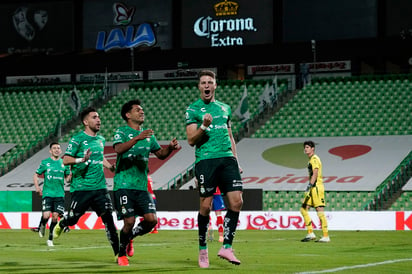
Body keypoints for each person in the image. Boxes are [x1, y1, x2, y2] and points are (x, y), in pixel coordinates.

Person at [185, 70, 243, 268]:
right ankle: (203, 249)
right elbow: (191, 140)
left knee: (237, 202)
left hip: (227, 159)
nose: (207, 85)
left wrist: (236, 160)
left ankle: (226, 246)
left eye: (210, 82)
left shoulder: (224, 108)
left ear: (215, 85)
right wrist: (204, 126)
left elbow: (230, 136)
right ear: (199, 87)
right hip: (206, 161)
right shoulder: (193, 109)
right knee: (205, 207)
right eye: (203, 82)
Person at [113, 99, 180, 266]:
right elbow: (118, 149)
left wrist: (170, 148)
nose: (142, 112)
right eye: (138, 110)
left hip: (141, 186)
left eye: (142, 110)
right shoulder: (121, 132)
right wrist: (137, 138)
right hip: (123, 184)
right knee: (129, 221)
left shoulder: (149, 135)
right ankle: (121, 255)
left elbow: (161, 154)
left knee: (151, 221)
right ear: (128, 115)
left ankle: (130, 237)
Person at [52, 107, 120, 261]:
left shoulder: (101, 140)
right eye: (95, 117)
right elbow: (65, 159)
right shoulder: (77, 139)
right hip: (82, 188)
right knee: (74, 219)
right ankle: (63, 223)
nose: (99, 120)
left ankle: (118, 254)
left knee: (109, 219)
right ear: (85, 121)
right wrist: (81, 160)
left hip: (100, 188)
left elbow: (100, 157)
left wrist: (109, 166)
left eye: (99, 117)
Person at [33, 142, 71, 247]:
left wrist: (71, 175)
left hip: (59, 194)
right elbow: (36, 175)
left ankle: (50, 239)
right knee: (46, 215)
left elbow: (67, 180)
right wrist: (37, 187)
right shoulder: (45, 162)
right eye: (54, 148)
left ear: (61, 151)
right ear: (50, 151)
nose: (56, 150)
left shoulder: (64, 163)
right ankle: (42, 225)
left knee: (55, 217)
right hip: (48, 193)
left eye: (58, 148)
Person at [300, 140, 330, 243]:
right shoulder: (310, 160)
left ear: (312, 148)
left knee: (319, 210)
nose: (305, 149)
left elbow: (315, 173)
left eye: (307, 147)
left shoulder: (314, 159)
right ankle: (310, 233)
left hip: (316, 187)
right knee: (303, 209)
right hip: (313, 187)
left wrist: (309, 186)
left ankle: (326, 236)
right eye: (305, 147)